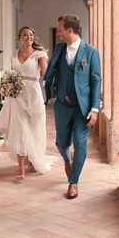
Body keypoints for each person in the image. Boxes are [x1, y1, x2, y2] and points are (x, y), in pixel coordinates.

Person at [44, 14, 101, 199]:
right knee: (62, 143)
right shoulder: (60, 48)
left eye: (60, 30)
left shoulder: (91, 52)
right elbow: (52, 69)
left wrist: (94, 108)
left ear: (70, 30)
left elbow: (95, 80)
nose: (58, 34)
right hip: (62, 105)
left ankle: (73, 182)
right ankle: (67, 159)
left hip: (81, 108)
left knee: (80, 142)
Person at [0, 27, 52, 182]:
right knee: (20, 130)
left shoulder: (40, 54)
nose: (29, 37)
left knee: (36, 129)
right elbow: (12, 73)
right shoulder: (14, 54)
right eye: (25, 35)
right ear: (19, 38)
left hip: (34, 94)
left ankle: (34, 159)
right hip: (17, 95)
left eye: (31, 35)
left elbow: (47, 73)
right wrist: (7, 85)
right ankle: (21, 168)